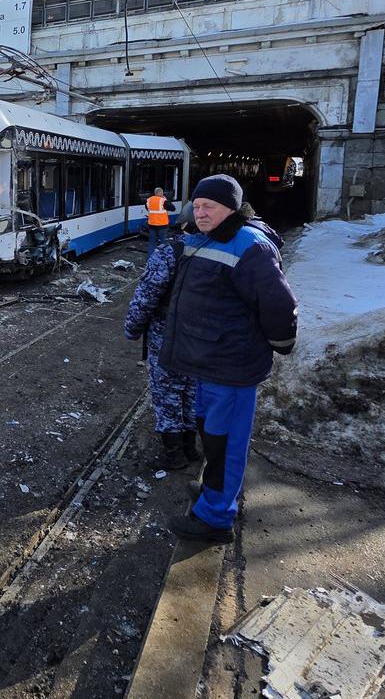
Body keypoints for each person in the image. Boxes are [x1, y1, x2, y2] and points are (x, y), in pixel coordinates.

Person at [159, 174, 298, 543]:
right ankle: (214, 493)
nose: (200, 213)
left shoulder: (249, 245)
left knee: (226, 443)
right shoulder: (207, 237)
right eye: (197, 206)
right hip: (210, 362)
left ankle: (216, 518)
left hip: (232, 367)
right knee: (212, 436)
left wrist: (281, 342)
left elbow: (279, 304)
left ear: (232, 209)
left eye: (210, 207)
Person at [123, 222, 200, 471]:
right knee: (192, 390)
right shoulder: (221, 252)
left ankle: (173, 454)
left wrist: (132, 329)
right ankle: (190, 447)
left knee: (167, 393)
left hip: (168, 337)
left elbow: (145, 298)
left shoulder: (170, 252)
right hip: (202, 339)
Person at [146, 187, 171, 251]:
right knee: (162, 242)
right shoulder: (163, 201)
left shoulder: (149, 200)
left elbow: (147, 208)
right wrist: (166, 200)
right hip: (162, 225)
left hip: (151, 224)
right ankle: (161, 256)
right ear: (161, 193)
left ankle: (151, 256)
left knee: (152, 242)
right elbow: (173, 208)